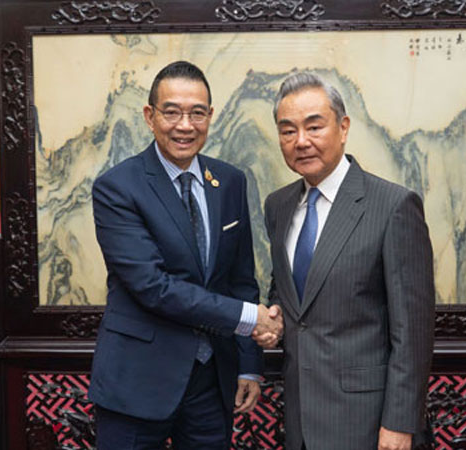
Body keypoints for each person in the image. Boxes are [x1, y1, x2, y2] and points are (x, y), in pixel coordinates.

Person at [89, 61, 283, 450]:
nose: (185, 125)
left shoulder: (229, 181)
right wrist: (251, 318)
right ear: (150, 116)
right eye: (172, 112)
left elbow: (240, 278)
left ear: (210, 116)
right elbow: (153, 286)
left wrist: (249, 365)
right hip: (138, 380)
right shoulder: (117, 187)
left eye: (197, 113)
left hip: (211, 381)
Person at [259, 72, 435, 450]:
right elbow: (291, 289)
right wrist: (276, 315)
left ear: (343, 127)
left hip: (366, 421)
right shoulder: (278, 205)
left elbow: (413, 331)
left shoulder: (393, 206)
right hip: (299, 418)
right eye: (288, 131)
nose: (300, 141)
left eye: (314, 126)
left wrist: (400, 424)